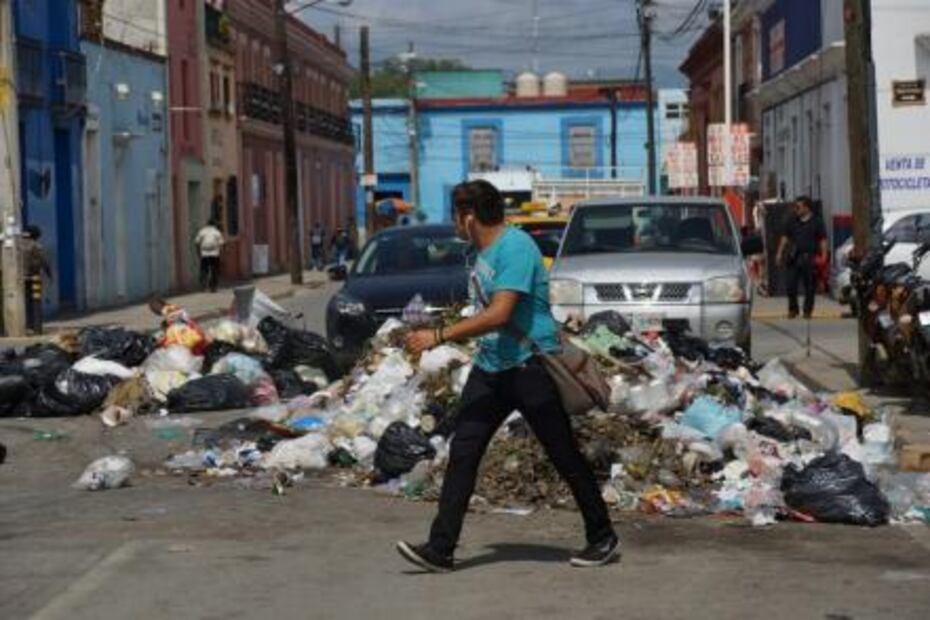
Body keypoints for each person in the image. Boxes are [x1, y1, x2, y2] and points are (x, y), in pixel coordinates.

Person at [396, 180, 618, 573]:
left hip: (530, 368)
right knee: (464, 451)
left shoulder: (515, 248)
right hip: (491, 367)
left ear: (469, 217)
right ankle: (441, 549)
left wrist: (439, 336)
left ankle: (602, 536)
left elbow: (500, 313)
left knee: (562, 452)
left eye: (456, 215)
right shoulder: (480, 252)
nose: (454, 223)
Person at [776, 196, 828, 319]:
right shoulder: (792, 221)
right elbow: (785, 237)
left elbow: (822, 239)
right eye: (795, 207)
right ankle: (793, 309)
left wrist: (824, 255)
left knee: (809, 286)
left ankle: (807, 311)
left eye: (798, 207)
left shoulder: (817, 222)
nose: (796, 209)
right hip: (794, 257)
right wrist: (779, 253)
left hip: (809, 257)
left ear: (807, 208)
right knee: (790, 285)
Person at [21, 225, 51, 334]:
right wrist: (49, 273)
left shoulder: (17, 244)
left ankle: (28, 326)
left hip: (19, 279)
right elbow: (44, 261)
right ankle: (36, 327)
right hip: (32, 277)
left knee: (25, 303)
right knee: (34, 302)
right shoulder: (36, 246)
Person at [194, 219, 224, 292]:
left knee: (204, 270)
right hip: (215, 253)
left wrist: (198, 253)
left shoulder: (202, 231)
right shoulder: (216, 232)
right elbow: (221, 244)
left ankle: (202, 286)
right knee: (215, 270)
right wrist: (221, 254)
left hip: (204, 253)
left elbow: (197, 243)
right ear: (214, 225)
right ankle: (213, 287)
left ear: (207, 224)